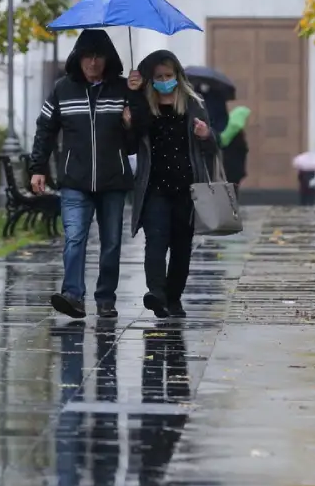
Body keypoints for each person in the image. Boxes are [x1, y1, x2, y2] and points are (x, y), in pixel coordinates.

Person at [29, 29, 135, 320]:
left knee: (111, 242)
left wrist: (131, 122)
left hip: (114, 180)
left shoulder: (123, 90)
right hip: (75, 181)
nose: (92, 62)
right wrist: (38, 168)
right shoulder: (62, 89)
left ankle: (105, 299)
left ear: (108, 59)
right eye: (87, 56)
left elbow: (136, 143)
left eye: (98, 56)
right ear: (78, 58)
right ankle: (73, 296)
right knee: (74, 238)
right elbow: (45, 130)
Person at [126, 50, 218, 319]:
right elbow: (131, 145)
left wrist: (205, 135)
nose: (164, 81)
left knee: (181, 246)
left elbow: (212, 148)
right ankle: (156, 293)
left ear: (178, 76)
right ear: (150, 80)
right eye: (158, 77)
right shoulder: (144, 104)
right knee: (155, 241)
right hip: (154, 187)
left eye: (168, 76)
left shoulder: (193, 104)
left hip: (187, 188)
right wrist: (130, 119)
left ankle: (174, 298)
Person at [219, 105, 250, 197]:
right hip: (234, 168)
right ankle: (232, 208)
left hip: (229, 167)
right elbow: (244, 149)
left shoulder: (229, 135)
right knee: (233, 189)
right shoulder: (236, 137)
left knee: (230, 188)